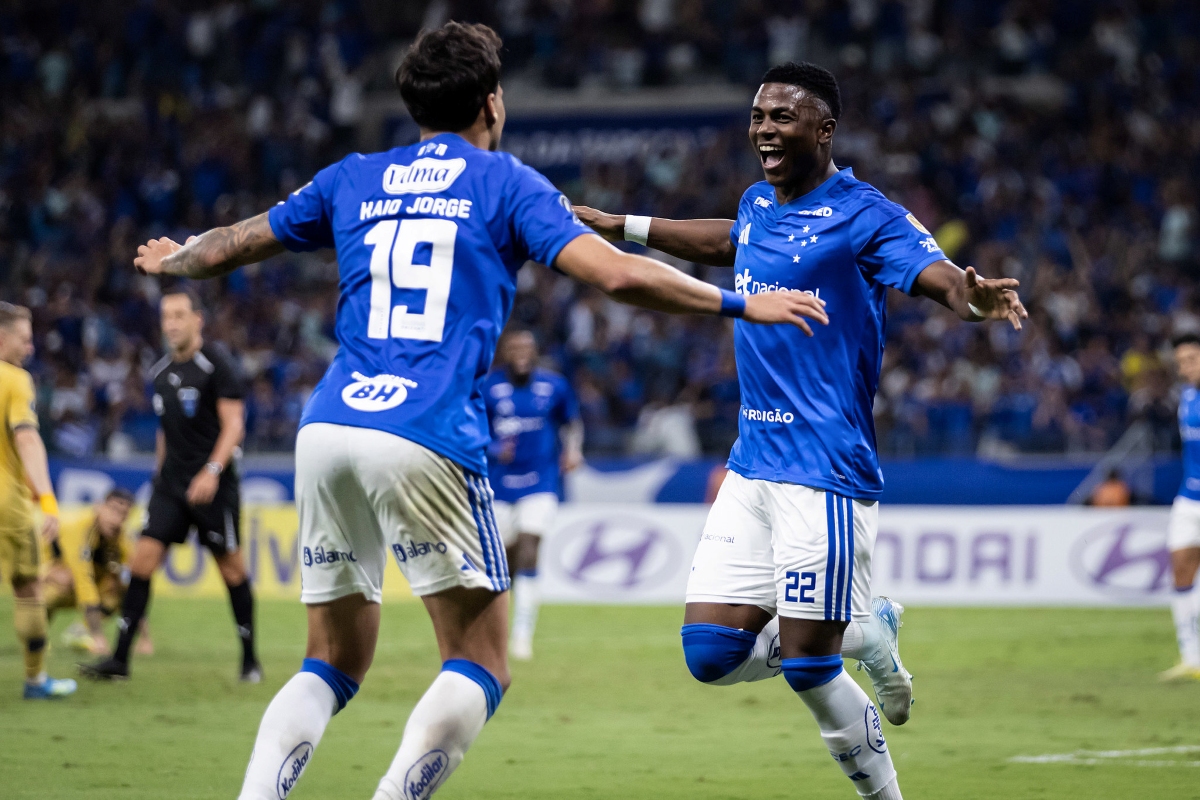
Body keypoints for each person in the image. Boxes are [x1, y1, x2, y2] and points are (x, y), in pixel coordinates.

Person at [128, 22, 827, 800]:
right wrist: (742, 302)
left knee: (329, 660)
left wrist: (176, 258)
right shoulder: (506, 184)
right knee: (481, 659)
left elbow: (230, 244)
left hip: (328, 426)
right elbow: (619, 276)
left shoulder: (353, 176)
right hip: (423, 428)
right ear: (492, 102)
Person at [575, 61, 1027, 800]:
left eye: (782, 117)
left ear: (824, 129)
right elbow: (729, 240)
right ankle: (866, 629)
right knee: (710, 653)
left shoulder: (866, 213)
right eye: (758, 116)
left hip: (824, 470)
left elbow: (939, 275)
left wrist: (971, 300)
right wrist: (622, 224)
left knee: (811, 668)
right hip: (752, 464)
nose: (764, 129)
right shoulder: (758, 201)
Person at [81, 289, 260, 682]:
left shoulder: (217, 364)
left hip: (214, 485)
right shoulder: (160, 371)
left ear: (198, 319)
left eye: (180, 315)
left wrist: (211, 471)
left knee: (232, 570)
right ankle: (120, 661)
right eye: (166, 316)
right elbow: (167, 430)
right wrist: (158, 477)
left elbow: (234, 426)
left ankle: (250, 661)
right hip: (172, 486)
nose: (172, 324)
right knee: (141, 562)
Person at [483, 328, 583, 660]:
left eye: (527, 347)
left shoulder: (554, 386)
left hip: (541, 481)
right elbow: (471, 429)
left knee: (530, 548)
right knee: (504, 561)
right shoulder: (489, 387)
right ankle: (496, 629)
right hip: (499, 486)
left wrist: (573, 450)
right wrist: (494, 448)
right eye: (515, 347)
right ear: (504, 352)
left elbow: (571, 422)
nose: (522, 353)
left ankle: (522, 634)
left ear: (535, 351)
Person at [0, 302, 77, 699]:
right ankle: (35, 681)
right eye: (24, 339)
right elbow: (27, 438)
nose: (30, 348)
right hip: (6, 504)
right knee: (29, 588)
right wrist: (47, 499)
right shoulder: (15, 379)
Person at [42, 488, 153, 657]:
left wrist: (145, 638)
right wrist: (98, 636)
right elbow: (82, 579)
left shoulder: (121, 539)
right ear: (98, 506)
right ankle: (36, 637)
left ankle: (81, 631)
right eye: (113, 510)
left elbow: (133, 583)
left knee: (117, 586)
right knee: (61, 583)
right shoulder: (79, 528)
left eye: (123, 515)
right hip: (49, 581)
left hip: (87, 588)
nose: (116, 519)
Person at [1162, 333, 1200, 682]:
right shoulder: (1186, 397)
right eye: (1181, 362)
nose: (1186, 367)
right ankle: (1191, 659)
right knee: (1181, 573)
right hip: (1188, 498)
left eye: (1191, 359)